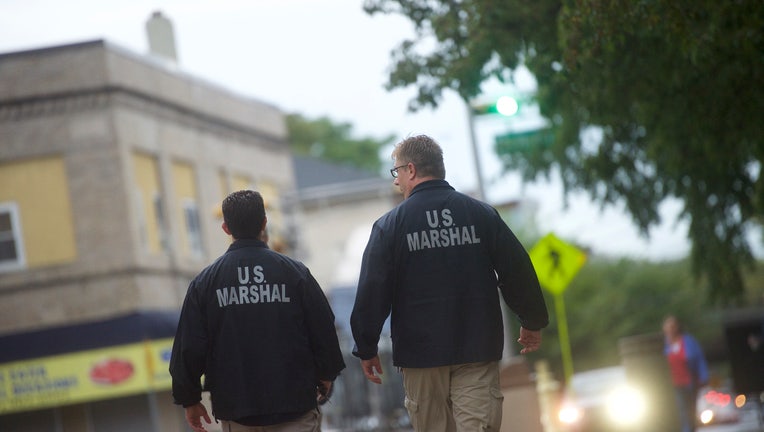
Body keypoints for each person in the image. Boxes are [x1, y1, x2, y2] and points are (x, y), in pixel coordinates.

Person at [350, 134, 549, 431]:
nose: (396, 181)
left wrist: (366, 346)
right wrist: (532, 320)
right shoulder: (482, 215)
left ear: (412, 170)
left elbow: (372, 290)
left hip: (421, 357)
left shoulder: (389, 227)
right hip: (477, 349)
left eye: (397, 172)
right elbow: (517, 269)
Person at [170, 190, 345, 432]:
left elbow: (188, 347)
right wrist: (327, 373)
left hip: (238, 413)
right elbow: (323, 328)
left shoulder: (205, 283)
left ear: (225, 228)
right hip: (295, 407)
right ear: (264, 222)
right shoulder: (295, 273)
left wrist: (189, 398)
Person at [662, 315, 709, 432]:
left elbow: (699, 358)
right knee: (681, 410)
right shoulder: (664, 345)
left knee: (691, 410)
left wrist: (704, 376)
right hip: (674, 384)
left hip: (690, 382)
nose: (671, 329)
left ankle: (691, 428)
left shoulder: (688, 341)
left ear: (677, 327)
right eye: (668, 327)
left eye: (673, 326)